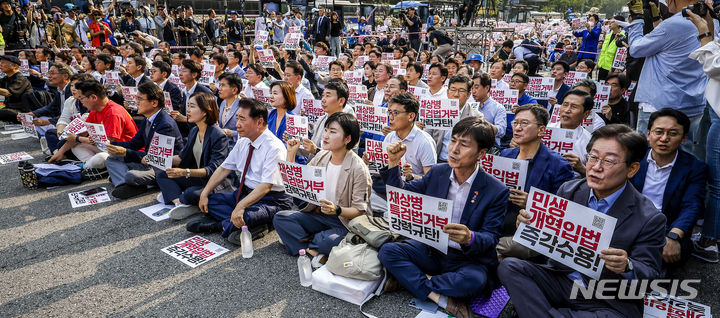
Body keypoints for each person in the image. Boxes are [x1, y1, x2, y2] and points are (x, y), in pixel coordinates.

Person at [500, 124, 666, 318]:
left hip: (605, 297)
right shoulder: (569, 190)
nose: (596, 167)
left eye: (609, 161)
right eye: (593, 157)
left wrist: (628, 265)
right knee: (509, 267)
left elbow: (649, 276)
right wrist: (530, 228)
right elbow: (546, 246)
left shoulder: (649, 218)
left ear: (632, 169)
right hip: (562, 280)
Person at [379, 117, 508, 318]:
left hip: (466, 259)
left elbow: (491, 238)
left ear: (481, 153)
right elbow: (401, 196)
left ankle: (411, 280)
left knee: (475, 281)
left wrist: (469, 238)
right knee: (388, 251)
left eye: (464, 145)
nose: (454, 149)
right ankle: (436, 295)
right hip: (433, 249)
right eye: (453, 140)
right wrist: (393, 162)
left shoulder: (496, 190)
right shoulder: (439, 172)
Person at [191, 98, 293, 244]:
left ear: (259, 122)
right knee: (210, 201)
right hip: (244, 193)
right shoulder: (243, 140)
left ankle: (221, 225)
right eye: (237, 118)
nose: (237, 124)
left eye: (242, 119)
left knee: (247, 216)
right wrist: (205, 193)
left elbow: (266, 187)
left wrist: (240, 206)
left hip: (272, 200)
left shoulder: (274, 147)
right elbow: (224, 168)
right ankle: (239, 223)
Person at [274, 112, 371, 265]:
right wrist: (291, 154)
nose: (325, 136)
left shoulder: (358, 169)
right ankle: (312, 250)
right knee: (281, 218)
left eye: (332, 132)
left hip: (343, 221)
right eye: (326, 130)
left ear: (347, 139)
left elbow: (359, 210)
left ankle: (303, 241)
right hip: (319, 214)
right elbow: (299, 183)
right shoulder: (322, 156)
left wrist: (337, 210)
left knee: (326, 241)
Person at [626, 0, 707, 158]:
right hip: (694, 104)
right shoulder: (710, 22)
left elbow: (636, 48)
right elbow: (672, 42)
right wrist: (658, 21)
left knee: (647, 159)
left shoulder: (674, 24)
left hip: (658, 106)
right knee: (685, 161)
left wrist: (636, 19)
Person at [627, 109, 708, 265]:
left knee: (672, 251)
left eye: (672, 133)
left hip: (665, 227)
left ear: (683, 138)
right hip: (629, 219)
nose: (664, 139)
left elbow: (692, 206)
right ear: (648, 134)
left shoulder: (694, 167)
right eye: (659, 132)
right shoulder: (633, 158)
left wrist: (674, 236)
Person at [496, 104, 574, 259]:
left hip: (532, 231)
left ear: (541, 130)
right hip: (499, 221)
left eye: (524, 123)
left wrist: (531, 203)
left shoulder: (559, 165)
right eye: (515, 123)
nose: (517, 128)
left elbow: (564, 211)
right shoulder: (505, 154)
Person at [155, 91, 230, 219]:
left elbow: (213, 170)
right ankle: (179, 202)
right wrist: (156, 158)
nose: (187, 110)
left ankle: (176, 196)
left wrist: (185, 172)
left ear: (205, 111)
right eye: (188, 106)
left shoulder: (218, 135)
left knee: (191, 193)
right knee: (162, 172)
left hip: (216, 183)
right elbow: (181, 158)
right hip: (199, 178)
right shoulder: (194, 130)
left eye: (192, 106)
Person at [106, 82, 184, 199]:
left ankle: (132, 182)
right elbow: (134, 144)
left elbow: (157, 158)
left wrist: (125, 152)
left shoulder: (165, 124)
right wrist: (110, 144)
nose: (136, 102)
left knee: (131, 175)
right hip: (148, 162)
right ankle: (126, 185)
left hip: (162, 167)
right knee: (112, 159)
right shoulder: (147, 119)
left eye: (140, 99)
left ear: (154, 103)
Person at [685, 4, 720, 264]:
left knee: (717, 182)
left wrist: (703, 32)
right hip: (713, 106)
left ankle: (709, 241)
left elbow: (715, 68)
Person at [367, 92, 437, 215]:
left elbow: (432, 182)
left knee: (389, 213)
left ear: (411, 116)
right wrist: (371, 164)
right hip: (389, 189)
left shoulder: (424, 142)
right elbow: (382, 173)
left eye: (396, 113)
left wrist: (412, 176)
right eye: (389, 112)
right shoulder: (390, 137)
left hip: (412, 195)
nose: (391, 117)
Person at [53, 80, 137, 170]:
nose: (80, 101)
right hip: (108, 149)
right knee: (75, 146)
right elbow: (82, 133)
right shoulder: (95, 110)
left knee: (102, 157)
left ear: (93, 97)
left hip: (124, 151)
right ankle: (94, 167)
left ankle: (87, 167)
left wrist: (78, 138)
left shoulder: (113, 113)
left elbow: (107, 144)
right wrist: (60, 152)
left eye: (81, 98)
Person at [428, 75, 483, 163]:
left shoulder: (476, 117)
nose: (456, 94)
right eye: (453, 90)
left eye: (461, 91)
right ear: (447, 92)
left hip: (461, 163)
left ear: (468, 94)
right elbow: (428, 137)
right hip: (436, 160)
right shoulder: (436, 110)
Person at [548, 90, 594, 176]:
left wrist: (582, 168)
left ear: (586, 114)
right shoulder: (542, 131)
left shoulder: (590, 141)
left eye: (574, 107)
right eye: (565, 105)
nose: (567, 110)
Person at [472, 73, 506, 146]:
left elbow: (501, 131)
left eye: (476, 87)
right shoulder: (469, 105)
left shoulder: (498, 108)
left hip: (489, 148)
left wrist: (482, 122)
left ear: (487, 88)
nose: (473, 91)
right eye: (471, 88)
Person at [0, 55, 33, 122]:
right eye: (1, 63)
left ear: (15, 66)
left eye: (3, 63)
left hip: (22, 111)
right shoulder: (7, 78)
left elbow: (8, 93)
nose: (1, 65)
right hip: (10, 108)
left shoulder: (21, 79)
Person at [217, 72, 243, 145]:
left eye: (223, 85)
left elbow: (250, 133)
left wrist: (232, 133)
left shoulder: (243, 106)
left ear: (234, 90)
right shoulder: (223, 103)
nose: (220, 89)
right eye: (220, 85)